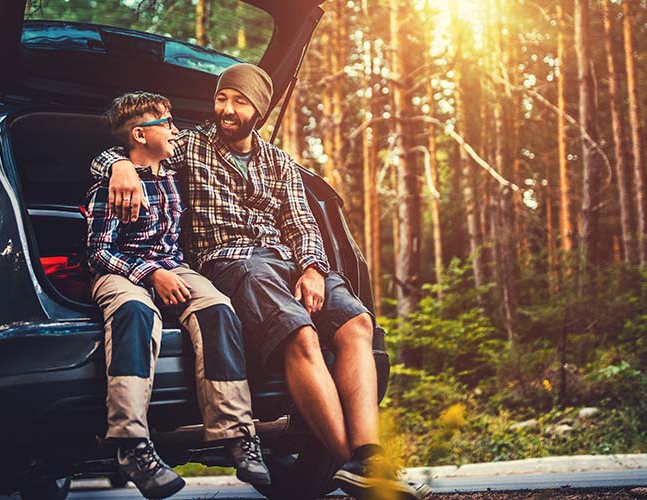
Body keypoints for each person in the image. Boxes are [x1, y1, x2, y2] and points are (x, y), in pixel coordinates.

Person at [91, 65, 429, 500]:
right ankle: (361, 472)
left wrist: (312, 269)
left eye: (239, 101)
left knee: (358, 326)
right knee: (301, 334)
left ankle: (367, 458)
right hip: (233, 263)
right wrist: (117, 165)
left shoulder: (279, 162)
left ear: (259, 110)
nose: (226, 110)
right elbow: (132, 145)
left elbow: (304, 225)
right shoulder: (191, 145)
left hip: (289, 263)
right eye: (222, 99)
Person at [86, 91, 269, 499]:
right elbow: (99, 252)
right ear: (139, 134)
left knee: (219, 307)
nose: (175, 130)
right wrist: (151, 275)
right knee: (135, 311)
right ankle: (131, 443)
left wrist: (168, 273)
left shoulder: (171, 169)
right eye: (166, 124)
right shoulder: (110, 186)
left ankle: (236, 433)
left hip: (175, 266)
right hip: (120, 271)